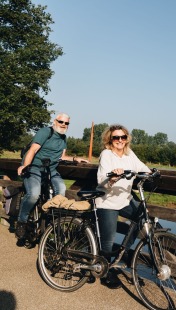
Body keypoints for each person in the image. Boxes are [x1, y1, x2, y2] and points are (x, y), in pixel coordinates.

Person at [15, 112, 89, 241]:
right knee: (33, 194)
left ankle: (51, 223)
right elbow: (32, 150)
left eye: (66, 123)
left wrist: (75, 159)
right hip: (35, 167)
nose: (64, 125)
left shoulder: (63, 138)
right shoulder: (45, 132)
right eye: (61, 122)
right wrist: (25, 166)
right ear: (55, 121)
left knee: (61, 190)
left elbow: (61, 157)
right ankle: (22, 222)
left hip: (51, 169)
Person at [96, 124, 151, 289]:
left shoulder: (129, 154)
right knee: (108, 241)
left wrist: (150, 173)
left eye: (123, 137)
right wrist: (113, 178)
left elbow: (141, 167)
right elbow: (101, 180)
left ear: (127, 139)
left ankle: (124, 252)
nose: (120, 140)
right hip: (107, 202)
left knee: (141, 217)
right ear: (110, 139)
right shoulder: (106, 154)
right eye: (116, 137)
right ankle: (105, 272)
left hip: (125, 199)